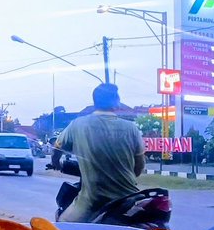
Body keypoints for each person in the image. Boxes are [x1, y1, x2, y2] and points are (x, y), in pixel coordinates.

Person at [54, 83, 146, 221]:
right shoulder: (131, 128)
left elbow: (57, 148)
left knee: (63, 224)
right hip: (129, 199)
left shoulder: (78, 125)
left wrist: (55, 163)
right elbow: (138, 169)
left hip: (92, 202)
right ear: (116, 101)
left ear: (95, 101)